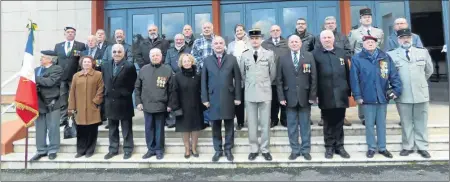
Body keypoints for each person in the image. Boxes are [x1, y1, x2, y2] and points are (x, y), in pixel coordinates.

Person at [350, 35, 402, 159]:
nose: (370, 44)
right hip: (367, 97)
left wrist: (396, 90)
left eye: (372, 42)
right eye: (367, 42)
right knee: (369, 124)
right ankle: (371, 148)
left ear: (376, 43)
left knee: (381, 124)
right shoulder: (357, 59)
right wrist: (357, 95)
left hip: (382, 96)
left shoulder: (385, 57)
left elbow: (394, 75)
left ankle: (383, 148)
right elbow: (354, 79)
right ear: (363, 45)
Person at [387, 28, 433, 158]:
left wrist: (418, 81)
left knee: (421, 121)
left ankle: (422, 146)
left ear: (412, 39)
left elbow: (429, 71)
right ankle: (407, 146)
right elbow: (390, 74)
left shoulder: (422, 52)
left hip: (421, 92)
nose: (405, 40)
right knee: (406, 121)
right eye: (402, 38)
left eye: (408, 37)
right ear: (398, 40)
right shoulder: (391, 54)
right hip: (403, 94)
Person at [201, 36, 242, 162]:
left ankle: (228, 149)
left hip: (229, 97)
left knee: (229, 125)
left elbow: (238, 79)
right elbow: (203, 81)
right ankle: (218, 150)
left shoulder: (232, 59)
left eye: (220, 43)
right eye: (216, 43)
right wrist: (205, 99)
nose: (218, 45)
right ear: (212, 46)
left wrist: (238, 97)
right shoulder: (207, 60)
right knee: (215, 126)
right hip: (213, 98)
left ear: (224, 45)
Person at [277, 35, 317, 161]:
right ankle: (295, 150)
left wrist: (312, 95)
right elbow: (279, 80)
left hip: (305, 97)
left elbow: (314, 78)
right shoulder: (282, 58)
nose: (294, 44)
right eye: (292, 42)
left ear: (301, 43)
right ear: (288, 44)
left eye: (296, 41)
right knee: (292, 126)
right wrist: (281, 97)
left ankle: (305, 150)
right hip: (289, 98)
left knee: (305, 125)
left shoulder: (309, 56)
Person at [313, 30, 351, 159]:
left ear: (333, 39)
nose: (327, 39)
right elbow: (314, 77)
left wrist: (349, 90)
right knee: (328, 122)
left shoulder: (341, 52)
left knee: (339, 121)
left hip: (340, 93)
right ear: (321, 40)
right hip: (325, 94)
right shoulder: (315, 54)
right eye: (324, 38)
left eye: (329, 37)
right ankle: (329, 147)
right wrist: (315, 94)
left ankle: (340, 146)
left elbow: (347, 71)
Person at [240, 29, 276, 161]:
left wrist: (264, 83)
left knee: (265, 123)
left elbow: (272, 74)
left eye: (257, 38)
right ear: (249, 40)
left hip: (265, 92)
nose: (255, 41)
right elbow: (242, 74)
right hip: (250, 93)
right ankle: (254, 149)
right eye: (252, 38)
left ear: (261, 39)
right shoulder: (245, 55)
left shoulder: (269, 54)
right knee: (252, 123)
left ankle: (265, 149)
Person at [135, 48, 177, 160]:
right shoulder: (143, 69)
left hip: (161, 106)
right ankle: (151, 149)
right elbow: (137, 87)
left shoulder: (167, 70)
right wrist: (138, 102)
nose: (155, 57)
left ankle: (159, 150)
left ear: (161, 57)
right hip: (147, 105)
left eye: (157, 55)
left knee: (159, 129)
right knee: (148, 128)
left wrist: (170, 105)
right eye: (152, 55)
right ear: (149, 57)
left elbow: (172, 90)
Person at [348, 8, 384, 126]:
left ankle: (377, 115)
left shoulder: (378, 32)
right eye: (364, 17)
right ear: (360, 19)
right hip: (361, 63)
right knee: (362, 87)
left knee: (376, 86)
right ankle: (363, 116)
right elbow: (351, 49)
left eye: (369, 17)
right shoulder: (354, 33)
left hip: (375, 63)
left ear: (371, 19)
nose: (367, 19)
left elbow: (381, 47)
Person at [314, 16, 353, 127]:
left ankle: (343, 117)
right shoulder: (318, 38)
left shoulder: (342, 37)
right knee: (325, 95)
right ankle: (323, 117)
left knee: (341, 94)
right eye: (328, 23)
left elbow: (348, 50)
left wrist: (346, 59)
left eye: (332, 23)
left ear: (336, 24)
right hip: (324, 69)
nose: (330, 25)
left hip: (339, 67)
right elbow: (317, 51)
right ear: (324, 25)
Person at [102, 44, 137, 160]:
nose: (117, 54)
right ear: (112, 53)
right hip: (110, 101)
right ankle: (113, 149)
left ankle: (128, 149)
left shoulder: (129, 66)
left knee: (126, 128)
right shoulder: (106, 65)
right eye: (115, 52)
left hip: (124, 102)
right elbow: (104, 80)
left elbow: (132, 84)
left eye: (119, 52)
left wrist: (124, 94)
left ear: (124, 53)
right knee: (112, 128)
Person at [30, 50, 63, 161]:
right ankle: (41, 150)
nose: (41, 59)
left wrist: (34, 78)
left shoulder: (56, 69)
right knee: (40, 128)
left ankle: (53, 149)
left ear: (50, 59)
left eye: (43, 57)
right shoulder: (36, 70)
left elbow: (50, 82)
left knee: (53, 127)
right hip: (37, 103)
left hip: (51, 102)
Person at [68, 56, 104, 158]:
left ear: (92, 63)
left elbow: (101, 89)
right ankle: (80, 150)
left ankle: (90, 150)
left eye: (89, 62)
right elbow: (72, 92)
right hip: (79, 107)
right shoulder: (76, 76)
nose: (87, 64)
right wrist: (71, 107)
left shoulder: (98, 75)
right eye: (85, 62)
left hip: (92, 107)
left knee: (92, 130)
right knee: (81, 130)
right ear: (81, 63)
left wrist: (96, 102)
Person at [174, 53, 206, 158]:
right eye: (184, 61)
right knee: (185, 128)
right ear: (181, 63)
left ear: (192, 62)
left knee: (196, 128)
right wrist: (175, 106)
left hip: (196, 105)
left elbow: (202, 90)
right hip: (182, 106)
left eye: (188, 61)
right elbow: (174, 92)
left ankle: (194, 148)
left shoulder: (197, 75)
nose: (187, 63)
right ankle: (187, 149)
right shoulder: (177, 76)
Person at [53, 26, 86, 127]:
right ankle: (63, 118)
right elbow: (55, 61)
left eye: (72, 32)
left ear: (75, 34)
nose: (70, 34)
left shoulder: (80, 45)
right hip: (62, 78)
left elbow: (82, 61)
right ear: (65, 34)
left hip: (74, 76)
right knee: (63, 98)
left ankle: (76, 118)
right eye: (68, 32)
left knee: (75, 98)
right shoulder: (58, 46)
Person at [262, 25, 289, 128]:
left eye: (277, 30)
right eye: (273, 30)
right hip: (271, 77)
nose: (275, 32)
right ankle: (273, 119)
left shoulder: (286, 43)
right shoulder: (265, 44)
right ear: (270, 32)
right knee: (273, 100)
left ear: (280, 31)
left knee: (284, 99)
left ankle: (284, 119)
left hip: (285, 77)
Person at [227, 24, 251, 130]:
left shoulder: (250, 42)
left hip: (250, 74)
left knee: (250, 100)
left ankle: (251, 122)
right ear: (235, 32)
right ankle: (240, 122)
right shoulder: (231, 44)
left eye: (241, 30)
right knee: (238, 100)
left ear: (244, 31)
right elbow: (228, 58)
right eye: (237, 30)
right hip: (236, 76)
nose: (239, 32)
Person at [192, 22, 216, 127]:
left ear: (212, 28)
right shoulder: (197, 42)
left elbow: (221, 54)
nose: (206, 29)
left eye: (208, 27)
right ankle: (206, 119)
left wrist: (212, 65)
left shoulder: (217, 40)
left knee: (215, 94)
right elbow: (194, 56)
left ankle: (214, 117)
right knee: (204, 95)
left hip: (215, 73)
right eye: (205, 28)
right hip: (201, 72)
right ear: (202, 29)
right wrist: (205, 64)